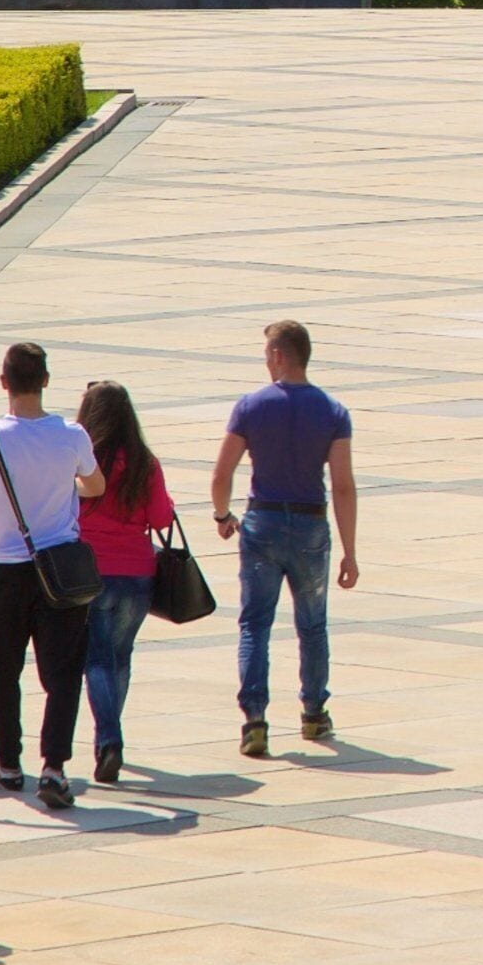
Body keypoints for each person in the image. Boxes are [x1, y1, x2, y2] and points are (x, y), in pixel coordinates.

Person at [0, 341, 104, 808]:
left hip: (5, 572)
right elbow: (96, 485)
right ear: (46, 381)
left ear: (3, 382)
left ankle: (8, 762)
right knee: (63, 674)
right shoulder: (72, 435)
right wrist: (70, 481)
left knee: (3, 670)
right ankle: (54, 767)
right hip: (60, 573)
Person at [209, 320, 359, 760]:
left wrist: (222, 515)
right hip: (311, 524)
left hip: (262, 523)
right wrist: (349, 551)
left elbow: (222, 475)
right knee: (312, 624)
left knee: (255, 623)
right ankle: (314, 713)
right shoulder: (333, 411)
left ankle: (254, 721)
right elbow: (344, 485)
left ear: (277, 355)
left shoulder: (251, 406)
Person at [71, 380, 176, 786]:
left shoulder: (83, 461)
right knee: (121, 656)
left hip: (91, 572)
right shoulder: (144, 463)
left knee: (95, 659)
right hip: (137, 574)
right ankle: (111, 732)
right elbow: (162, 519)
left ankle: (108, 739)